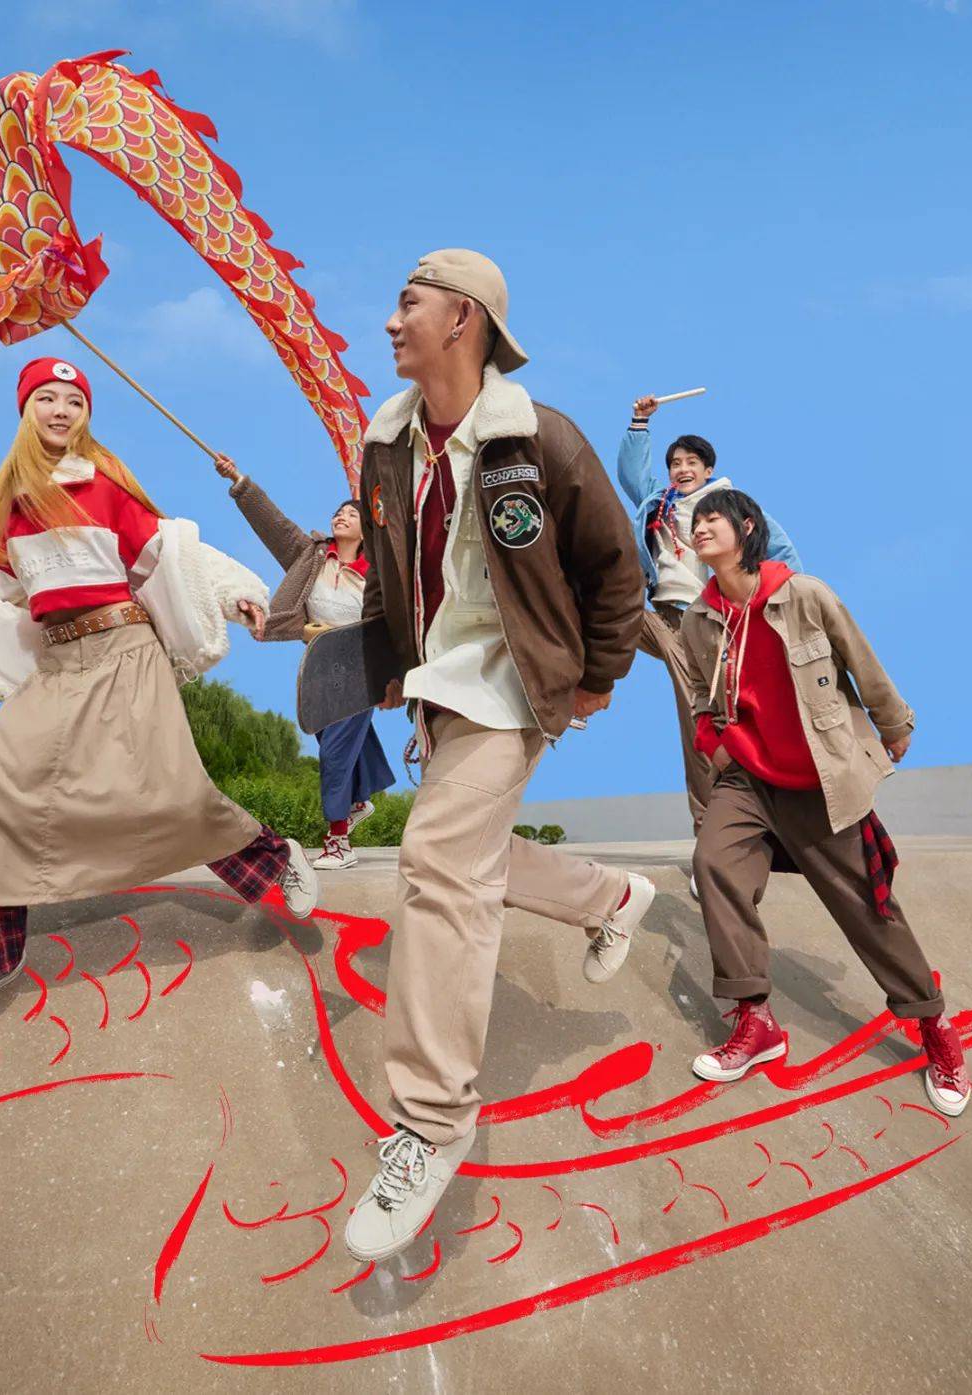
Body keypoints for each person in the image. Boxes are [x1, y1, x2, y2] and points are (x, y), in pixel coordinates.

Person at [343, 249, 656, 1264]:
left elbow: (615, 566)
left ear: (463, 320)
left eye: (409, 303)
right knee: (468, 848)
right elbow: (389, 573)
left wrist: (597, 675)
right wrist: (384, 666)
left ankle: (432, 1121)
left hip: (514, 685)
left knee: (438, 860)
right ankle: (611, 898)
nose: (391, 322)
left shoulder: (540, 440)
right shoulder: (385, 445)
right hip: (437, 689)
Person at [0, 356, 318, 1037]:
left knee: (165, 794)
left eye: (74, 401)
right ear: (25, 410)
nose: (62, 410)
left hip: (125, 651)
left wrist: (236, 593)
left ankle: (277, 859)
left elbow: (172, 552)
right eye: (47, 398)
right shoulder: (4, 507)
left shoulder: (104, 485)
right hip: (59, 666)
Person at [679, 487, 970, 1117]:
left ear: (746, 528)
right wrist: (714, 744)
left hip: (817, 780)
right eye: (694, 521)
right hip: (746, 778)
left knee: (867, 906)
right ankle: (755, 1020)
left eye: (712, 518)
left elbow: (860, 659)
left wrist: (894, 724)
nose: (699, 528)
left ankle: (932, 1025)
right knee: (714, 864)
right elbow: (701, 692)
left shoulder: (803, 596)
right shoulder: (698, 619)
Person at [617, 396, 801, 844]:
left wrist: (785, 607)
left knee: (703, 722)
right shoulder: (659, 503)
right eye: (675, 463)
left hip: (703, 624)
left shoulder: (730, 508)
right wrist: (639, 422)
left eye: (691, 462)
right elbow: (631, 475)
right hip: (660, 616)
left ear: (708, 468)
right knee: (600, 605)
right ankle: (578, 681)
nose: (682, 469)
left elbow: (782, 553)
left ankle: (713, 831)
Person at [213, 458, 396, 870]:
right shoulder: (310, 556)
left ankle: (338, 841)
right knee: (336, 741)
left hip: (360, 670)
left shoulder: (379, 574)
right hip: (318, 668)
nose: (341, 516)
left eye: (352, 514)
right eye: (339, 512)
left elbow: (393, 626)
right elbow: (273, 524)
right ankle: (358, 801)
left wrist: (394, 678)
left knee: (336, 752)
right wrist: (240, 481)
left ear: (368, 529)